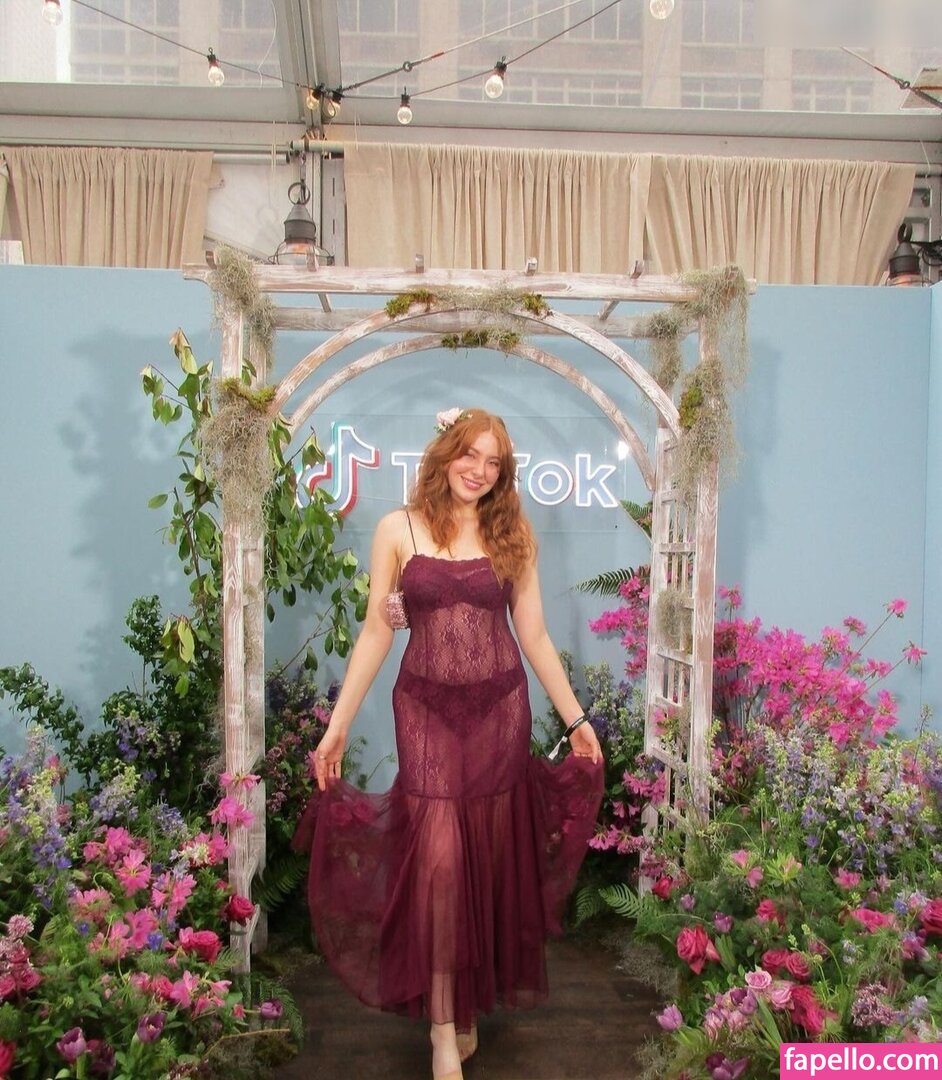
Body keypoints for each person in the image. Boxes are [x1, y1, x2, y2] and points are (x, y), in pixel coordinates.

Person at [293, 408, 604, 1080]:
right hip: (426, 713)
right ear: (444, 454)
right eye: (470, 455)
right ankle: (441, 1030)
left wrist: (576, 719)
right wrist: (337, 723)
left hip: (499, 713)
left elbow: (534, 635)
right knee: (438, 863)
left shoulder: (512, 532)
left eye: (494, 463)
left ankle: (464, 1009)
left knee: (483, 863)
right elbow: (377, 631)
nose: (479, 471)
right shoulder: (397, 529)